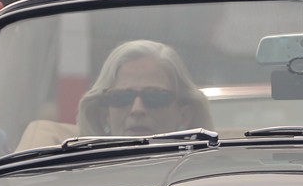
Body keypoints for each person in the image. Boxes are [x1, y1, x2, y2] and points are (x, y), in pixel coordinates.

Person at [76, 38, 213, 136]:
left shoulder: (209, 174)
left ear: (184, 115)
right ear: (105, 114)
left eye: (154, 96)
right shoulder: (79, 174)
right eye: (122, 97)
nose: (137, 109)